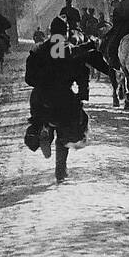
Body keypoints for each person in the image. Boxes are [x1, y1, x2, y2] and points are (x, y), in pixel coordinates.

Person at [23, 16, 94, 183]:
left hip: (40, 98)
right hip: (63, 98)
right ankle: (60, 172)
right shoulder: (69, 50)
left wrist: (41, 83)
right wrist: (82, 95)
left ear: (50, 32)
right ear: (66, 32)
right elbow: (83, 74)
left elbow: (29, 79)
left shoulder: (37, 50)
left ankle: (41, 131)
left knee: (36, 120)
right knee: (70, 129)